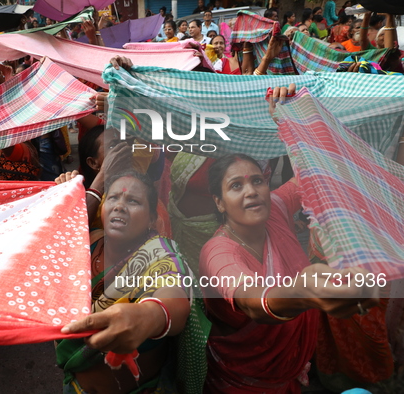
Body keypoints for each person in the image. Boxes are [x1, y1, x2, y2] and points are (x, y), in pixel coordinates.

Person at [199, 85, 381, 392]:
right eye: (236, 186)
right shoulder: (217, 251)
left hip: (294, 370)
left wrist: (292, 119)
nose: (251, 191)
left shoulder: (276, 208)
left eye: (257, 181)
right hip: (245, 383)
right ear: (218, 202)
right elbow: (252, 300)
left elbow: (312, 173)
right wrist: (304, 291)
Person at [56, 171, 199, 394]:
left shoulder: (160, 254)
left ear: (152, 217)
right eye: (113, 198)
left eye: (133, 201)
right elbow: (60, 224)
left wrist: (149, 315)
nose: (120, 206)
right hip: (74, 385)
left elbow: (174, 292)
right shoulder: (87, 241)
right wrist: (69, 191)